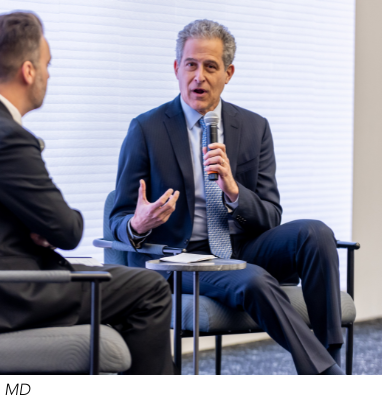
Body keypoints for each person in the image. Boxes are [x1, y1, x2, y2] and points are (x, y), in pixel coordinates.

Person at [0, 11, 173, 375]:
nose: (50, 75)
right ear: (28, 71)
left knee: (110, 280)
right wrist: (43, 227)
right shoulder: (5, 137)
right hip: (0, 295)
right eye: (47, 64)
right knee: (149, 288)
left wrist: (32, 227)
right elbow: (68, 231)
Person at [110, 19, 345, 375]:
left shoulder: (254, 127)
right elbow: (119, 218)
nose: (198, 77)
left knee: (317, 234)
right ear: (176, 68)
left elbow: (270, 215)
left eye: (210, 66)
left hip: (241, 247)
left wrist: (234, 192)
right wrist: (138, 224)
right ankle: (327, 376)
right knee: (251, 278)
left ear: (228, 73)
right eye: (190, 64)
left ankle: (331, 353)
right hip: (181, 260)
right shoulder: (146, 129)